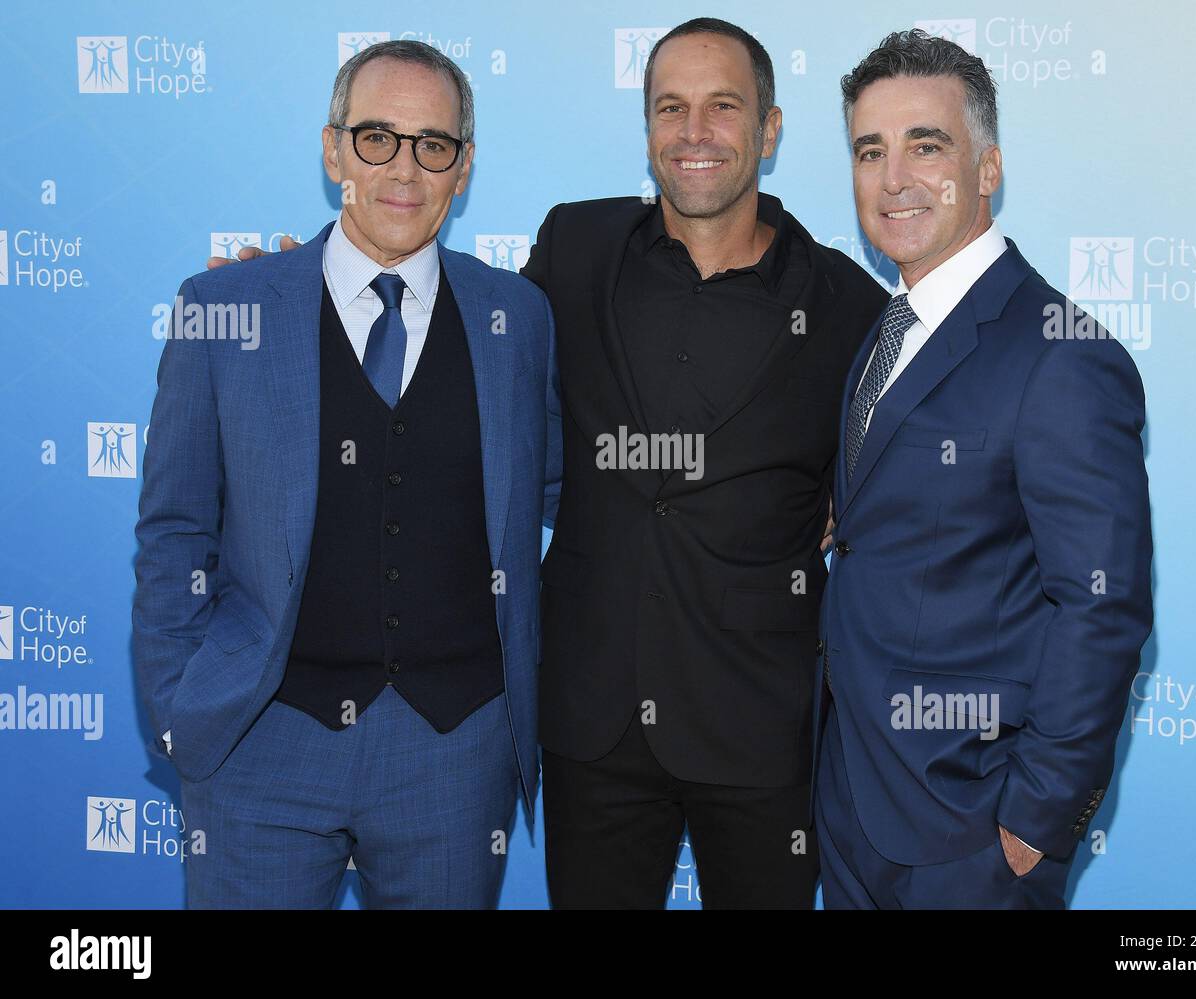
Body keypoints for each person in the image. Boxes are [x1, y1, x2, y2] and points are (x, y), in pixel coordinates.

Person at [207, 18, 889, 909]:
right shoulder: (575, 249)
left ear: (769, 128)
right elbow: (435, 334)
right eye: (670, 107)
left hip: (763, 725)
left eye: (723, 107)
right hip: (590, 723)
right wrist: (287, 287)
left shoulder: (848, 303)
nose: (694, 132)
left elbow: (898, 482)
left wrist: (847, 502)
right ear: (646, 127)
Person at [133, 39, 560, 908]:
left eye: (433, 144)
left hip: (454, 750)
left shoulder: (518, 316)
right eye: (376, 137)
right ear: (333, 151)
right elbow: (175, 528)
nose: (404, 167)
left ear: (463, 167)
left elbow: (561, 485)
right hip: (262, 737)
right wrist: (184, 702)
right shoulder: (226, 308)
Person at [814, 28, 1153, 909]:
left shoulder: (1061, 352)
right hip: (853, 800)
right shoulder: (887, 330)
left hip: (972, 830)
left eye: (927, 146)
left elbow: (1103, 601)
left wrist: (1036, 819)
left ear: (988, 168)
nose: (894, 180)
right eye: (870, 151)